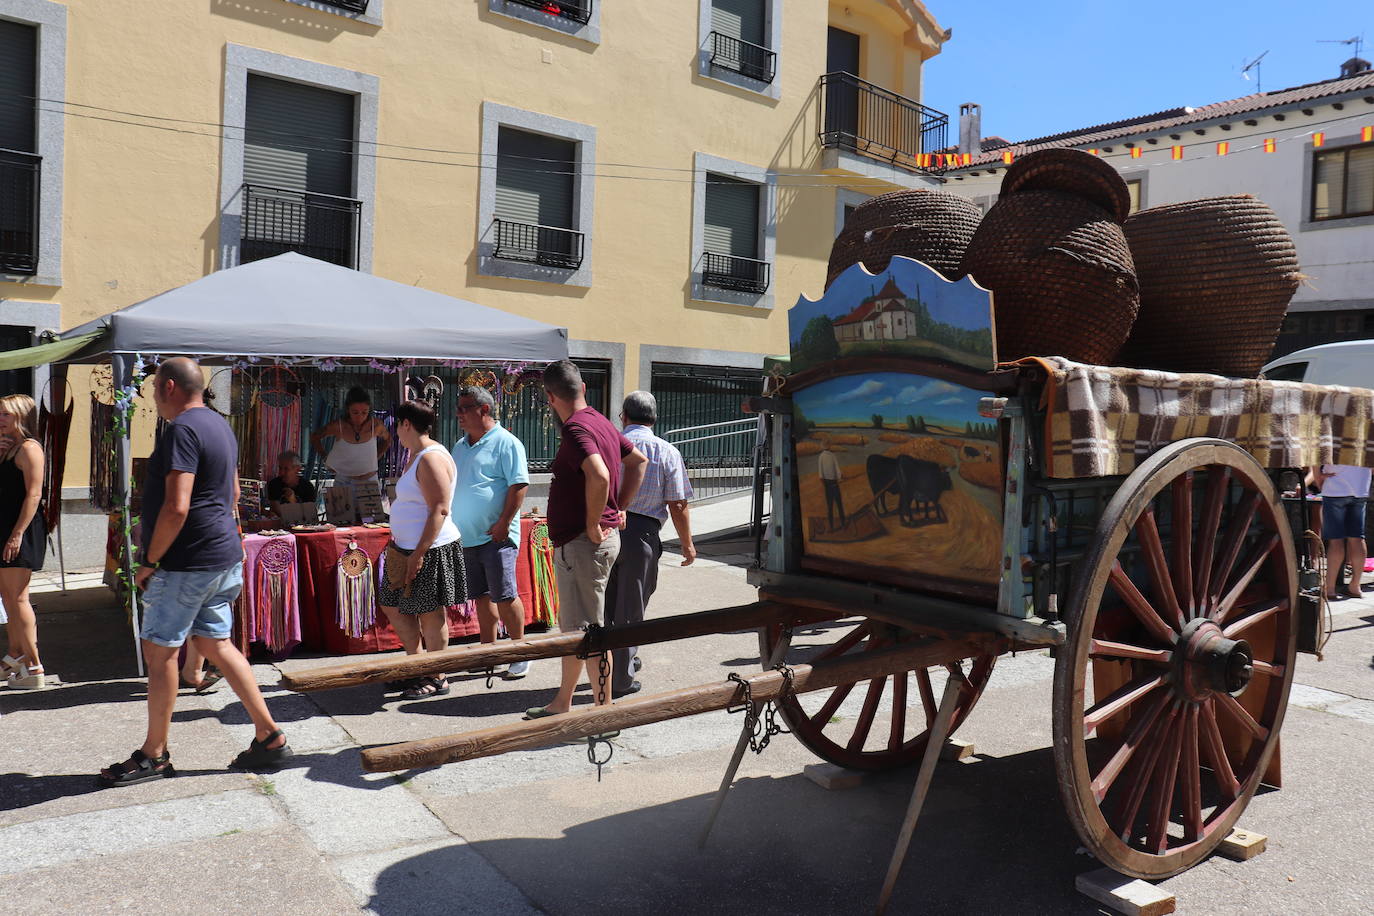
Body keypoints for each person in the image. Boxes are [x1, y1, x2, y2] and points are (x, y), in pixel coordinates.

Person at [98, 357, 290, 787]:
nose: (151, 396)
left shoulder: (182, 429)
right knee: (216, 643)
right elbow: (235, 491)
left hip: (185, 561)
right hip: (220, 555)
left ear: (168, 386)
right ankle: (269, 734)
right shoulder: (219, 425)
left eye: (152, 389)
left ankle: (154, 754)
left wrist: (150, 559)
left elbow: (176, 504)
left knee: (161, 651)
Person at [525, 360, 646, 720]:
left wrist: (596, 521)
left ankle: (603, 713)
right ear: (583, 389)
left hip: (584, 544)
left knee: (591, 633)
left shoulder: (576, 428)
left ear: (549, 397)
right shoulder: (600, 421)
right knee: (575, 631)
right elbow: (637, 461)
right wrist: (619, 507)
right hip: (587, 543)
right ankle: (563, 702)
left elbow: (599, 474)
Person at [604, 391, 695, 698]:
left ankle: (609, 667)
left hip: (605, 529)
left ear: (624, 417)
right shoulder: (666, 451)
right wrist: (687, 545)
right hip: (642, 533)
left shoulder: (609, 445)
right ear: (654, 419)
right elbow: (678, 504)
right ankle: (621, 680)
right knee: (631, 607)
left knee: (607, 603)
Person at [377, 399, 467, 700]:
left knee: (430, 613)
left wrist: (419, 553)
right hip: (407, 548)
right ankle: (416, 665)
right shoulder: (417, 455)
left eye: (396, 427)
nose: (395, 435)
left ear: (406, 424)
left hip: (428, 549)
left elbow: (439, 509)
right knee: (392, 603)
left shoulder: (430, 457)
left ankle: (437, 675)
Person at [450, 385, 531, 679]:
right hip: (467, 537)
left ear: (484, 410)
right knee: (482, 597)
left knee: (505, 595)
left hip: (496, 536)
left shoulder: (507, 443)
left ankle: (521, 651)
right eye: (457, 407)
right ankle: (489, 652)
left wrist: (502, 522)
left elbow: (519, 486)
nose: (457, 413)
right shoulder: (459, 446)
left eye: (464, 407)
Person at [0, 394, 53, 690]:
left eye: (5, 414)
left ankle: (34, 666)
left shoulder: (30, 448)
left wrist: (17, 533)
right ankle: (14, 655)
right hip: (5, 528)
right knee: (8, 598)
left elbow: (34, 495)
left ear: (21, 415)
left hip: (19, 530)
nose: (0, 419)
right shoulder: (9, 447)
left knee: (18, 598)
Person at [1308, 463, 1371, 600]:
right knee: (1357, 538)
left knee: (1336, 540)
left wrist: (1319, 480)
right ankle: (1355, 586)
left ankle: (1330, 588)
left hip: (1334, 487)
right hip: (1360, 488)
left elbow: (1317, 456)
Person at [309, 386, 390, 484]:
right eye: (355, 412)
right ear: (348, 410)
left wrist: (377, 455)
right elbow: (314, 437)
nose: (360, 417)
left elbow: (388, 439)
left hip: (369, 481)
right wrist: (325, 457)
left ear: (369, 410)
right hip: (343, 481)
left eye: (364, 412)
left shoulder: (376, 426)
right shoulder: (338, 426)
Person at [818, 442, 845, 530]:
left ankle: (831, 527)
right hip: (835, 484)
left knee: (830, 507)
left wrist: (826, 486)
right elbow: (837, 470)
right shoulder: (833, 456)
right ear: (829, 447)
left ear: (822, 447)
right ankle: (843, 524)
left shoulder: (821, 457)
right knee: (839, 505)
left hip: (828, 485)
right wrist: (840, 477)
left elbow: (821, 476)